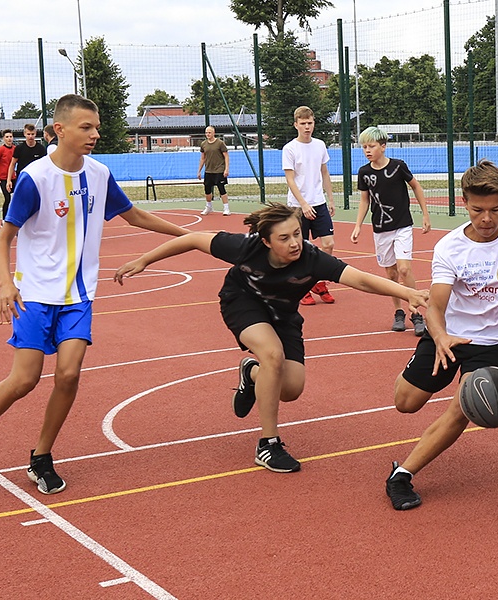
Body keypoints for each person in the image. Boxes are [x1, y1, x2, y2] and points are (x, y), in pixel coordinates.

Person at [0, 94, 190, 498]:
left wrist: (188, 236)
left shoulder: (100, 174)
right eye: (86, 127)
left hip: (78, 294)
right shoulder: (35, 178)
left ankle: (41, 456)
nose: (95, 134)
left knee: (69, 374)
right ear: (61, 130)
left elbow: (134, 215)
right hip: (35, 293)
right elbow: (2, 240)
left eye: (97, 127)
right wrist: (6, 284)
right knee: (24, 379)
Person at [113, 203, 429, 474]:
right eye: (284, 238)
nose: (294, 243)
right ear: (265, 241)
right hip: (243, 302)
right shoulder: (245, 247)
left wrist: (408, 292)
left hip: (284, 315)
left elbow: (360, 279)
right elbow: (194, 239)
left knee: (290, 389)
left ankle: (251, 374)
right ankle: (268, 444)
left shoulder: (312, 257)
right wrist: (145, 260)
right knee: (272, 355)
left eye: (297, 234)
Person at [385, 160, 498, 510]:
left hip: (497, 344)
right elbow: (436, 307)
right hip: (450, 334)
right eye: (477, 209)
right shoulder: (450, 247)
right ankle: (415, 372)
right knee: (405, 403)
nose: (486, 218)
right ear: (464, 201)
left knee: (464, 406)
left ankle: (402, 475)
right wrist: (438, 337)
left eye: (495, 209)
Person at [351, 126, 432, 336]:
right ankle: (398, 312)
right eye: (364, 147)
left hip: (402, 225)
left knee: (405, 270)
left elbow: (416, 187)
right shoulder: (364, 173)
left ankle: (416, 313)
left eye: (371, 146)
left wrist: (425, 214)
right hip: (380, 229)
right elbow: (364, 200)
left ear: (383, 147)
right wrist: (358, 225)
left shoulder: (398, 167)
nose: (367, 150)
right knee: (392, 274)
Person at [283, 106, 337, 305]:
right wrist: (303, 204)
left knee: (329, 244)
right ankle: (302, 286)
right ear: (296, 124)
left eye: (310, 123)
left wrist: (330, 199)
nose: (307, 127)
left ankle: (319, 282)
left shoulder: (320, 145)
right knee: (300, 247)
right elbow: (290, 179)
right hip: (298, 206)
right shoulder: (290, 149)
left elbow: (324, 173)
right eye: (303, 123)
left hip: (319, 202)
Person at [196, 126, 230, 216]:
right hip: (208, 170)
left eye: (209, 132)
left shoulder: (220, 143)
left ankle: (226, 208)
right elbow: (202, 158)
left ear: (213, 133)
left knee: (221, 189)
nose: (208, 134)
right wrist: (199, 171)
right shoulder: (203, 144)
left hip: (219, 170)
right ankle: (209, 207)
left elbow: (226, 156)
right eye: (206, 132)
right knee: (207, 190)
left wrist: (226, 169)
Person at [7, 123, 47, 188]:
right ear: (24, 134)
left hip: (36, 179)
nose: (30, 136)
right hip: (22, 178)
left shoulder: (41, 148)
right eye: (28, 134)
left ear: (35, 134)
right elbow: (12, 164)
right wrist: (9, 180)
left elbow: (45, 166)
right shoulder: (19, 148)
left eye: (32, 134)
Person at [0, 129, 16, 220]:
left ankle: (15, 217)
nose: (9, 139)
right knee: (7, 198)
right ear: (3, 138)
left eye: (10, 137)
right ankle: (4, 219)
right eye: (7, 137)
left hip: (13, 177)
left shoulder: (15, 149)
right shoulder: (0, 150)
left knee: (16, 198)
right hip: (3, 178)